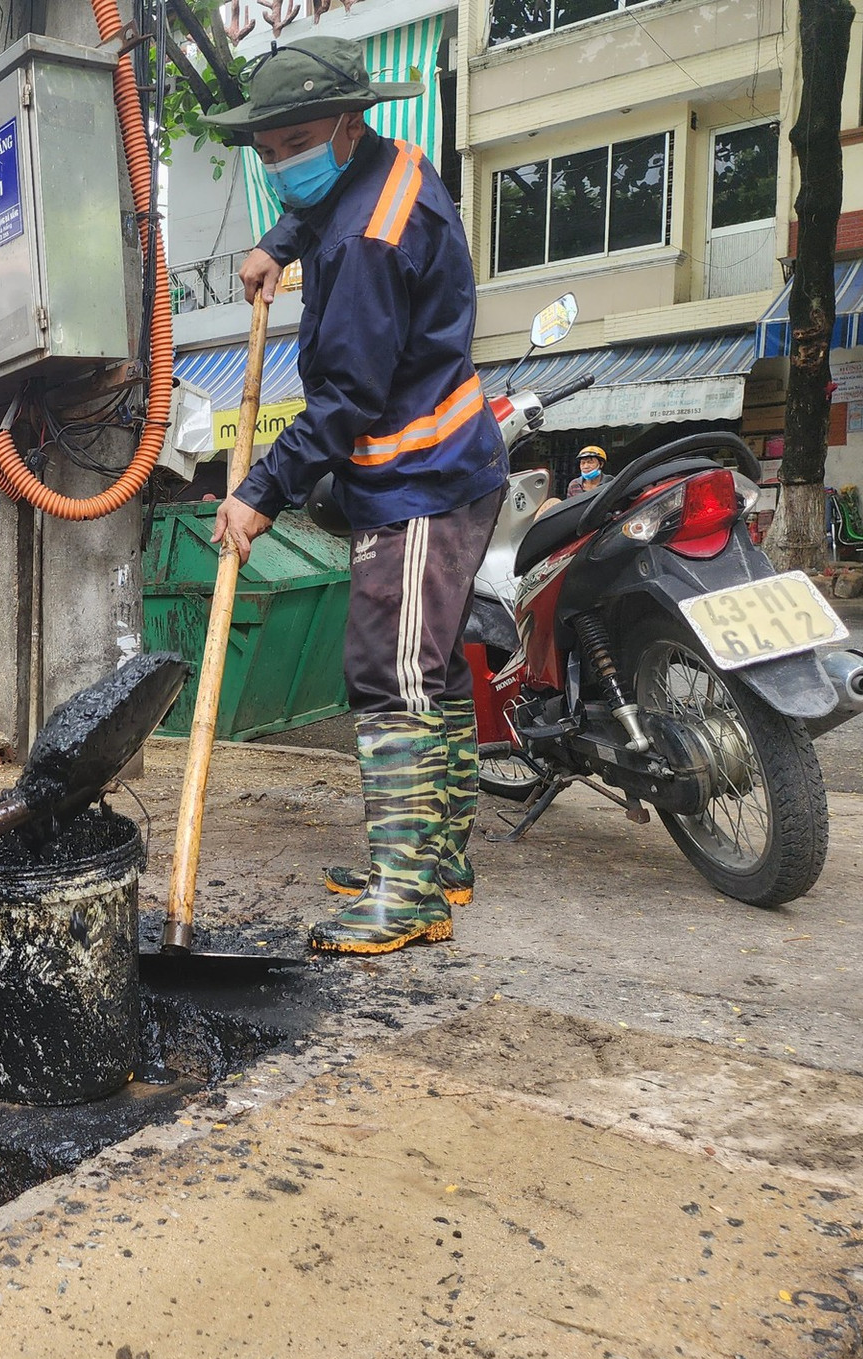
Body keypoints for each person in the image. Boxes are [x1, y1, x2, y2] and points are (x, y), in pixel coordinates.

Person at [206, 38, 507, 956]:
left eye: (293, 140)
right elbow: (326, 199)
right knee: (438, 668)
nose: (279, 162)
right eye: (264, 149)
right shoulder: (383, 166)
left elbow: (343, 402)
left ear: (348, 121)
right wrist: (276, 242)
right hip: (436, 465)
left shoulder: (375, 241)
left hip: (422, 476)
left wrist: (259, 491)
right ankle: (439, 863)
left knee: (390, 672)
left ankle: (411, 893)